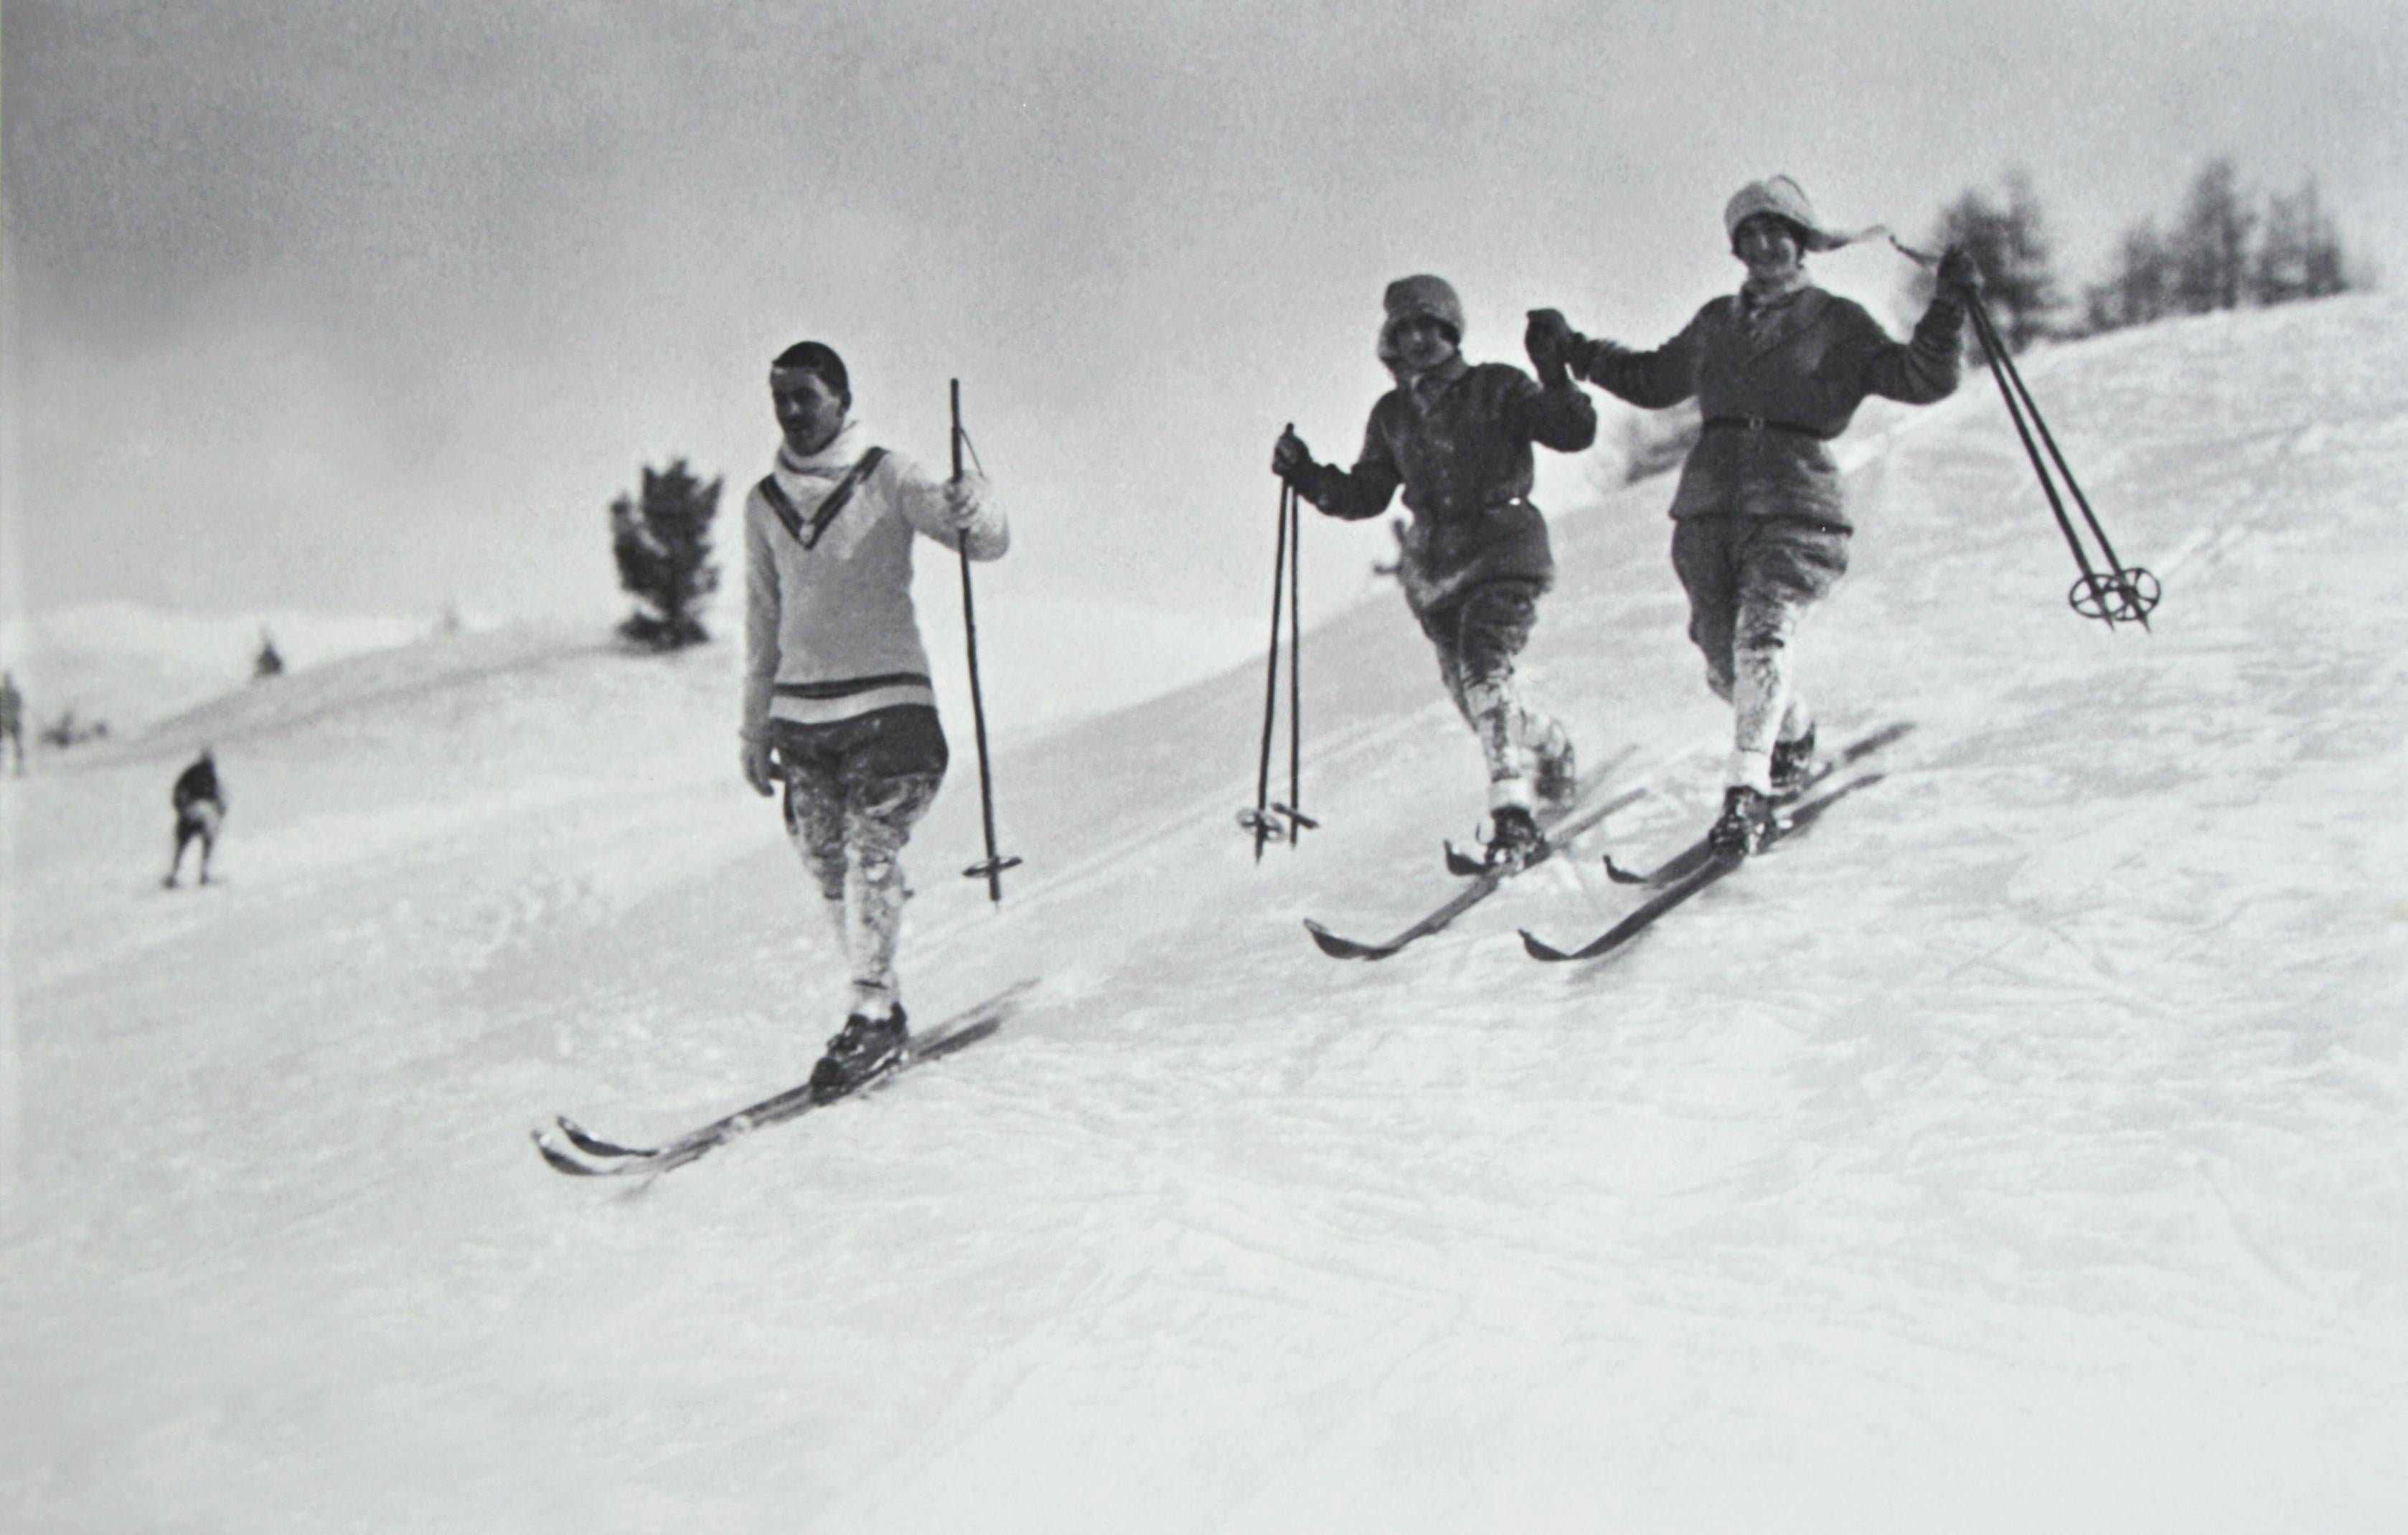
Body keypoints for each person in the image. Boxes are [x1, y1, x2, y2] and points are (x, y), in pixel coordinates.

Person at [1526, 174, 1977, 856]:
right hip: (1712, 505)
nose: (1765, 244)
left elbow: (1922, 378)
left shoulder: (1838, 321)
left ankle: (1747, 794)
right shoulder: (1717, 323)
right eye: (1751, 235)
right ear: (1737, 248)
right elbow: (1653, 379)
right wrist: (1577, 350)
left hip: (1798, 503)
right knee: (1722, 665)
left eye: (1779, 232)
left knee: (1763, 636)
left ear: (1802, 243)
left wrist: (1945, 310)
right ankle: (1791, 731)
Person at [740, 340, 1008, 1095]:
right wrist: (752, 726)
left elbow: (980, 540)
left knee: (868, 851)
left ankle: (870, 1013)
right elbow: (762, 620)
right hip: (800, 719)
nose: (791, 412)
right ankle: (875, 998)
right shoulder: (761, 504)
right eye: (780, 399)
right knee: (828, 862)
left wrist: (974, 501)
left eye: (805, 396)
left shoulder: (889, 476)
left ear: (841, 397)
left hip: (890, 711)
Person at [1272, 274, 1598, 866]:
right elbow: (1368, 493)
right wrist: (1308, 475)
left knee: (1483, 664)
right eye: (1405, 329)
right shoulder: (1393, 415)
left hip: (1504, 551)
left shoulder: (1497, 386)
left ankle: (1513, 815)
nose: (1419, 339)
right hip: (1435, 572)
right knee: (1475, 700)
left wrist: (1555, 374)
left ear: (1452, 330)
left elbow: (1573, 431)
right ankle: (1551, 744)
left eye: (1430, 325)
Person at [166, 748, 225, 887]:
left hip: (190, 812)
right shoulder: (211, 776)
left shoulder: (190, 773)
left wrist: (181, 809)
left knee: (181, 846)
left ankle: (174, 875)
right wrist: (219, 812)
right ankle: (204, 874)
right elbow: (219, 798)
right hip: (203, 812)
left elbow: (178, 792)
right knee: (208, 842)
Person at [1, 670, 24, 775]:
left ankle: (19, 768)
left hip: (12, 721)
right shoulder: (3, 693)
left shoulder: (14, 694)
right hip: (4, 722)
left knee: (17, 746)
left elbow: (19, 706)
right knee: (4, 746)